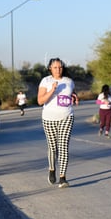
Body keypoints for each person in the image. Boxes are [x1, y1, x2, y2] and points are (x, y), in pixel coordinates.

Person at [37, 58, 79, 188]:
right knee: (53, 147)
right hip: (49, 118)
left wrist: (75, 97)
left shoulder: (69, 81)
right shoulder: (46, 81)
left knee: (63, 146)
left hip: (66, 116)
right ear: (50, 68)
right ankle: (51, 169)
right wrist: (52, 90)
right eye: (55, 67)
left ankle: (63, 178)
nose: (58, 70)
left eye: (60, 67)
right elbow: (40, 101)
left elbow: (71, 94)